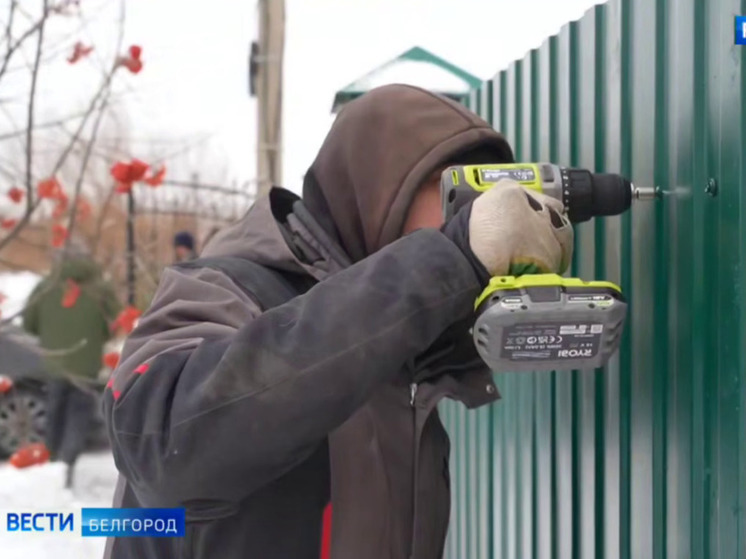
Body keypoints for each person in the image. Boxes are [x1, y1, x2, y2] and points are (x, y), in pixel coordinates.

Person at [103, 84, 573, 559]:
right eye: (456, 191)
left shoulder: (408, 343)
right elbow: (160, 449)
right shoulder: (225, 289)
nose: (473, 214)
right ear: (377, 189)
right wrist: (442, 263)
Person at [22, 242, 120, 488]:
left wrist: (49, 336)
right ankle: (67, 464)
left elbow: (28, 323)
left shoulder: (46, 286)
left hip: (54, 361)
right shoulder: (100, 289)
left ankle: (52, 463)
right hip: (87, 365)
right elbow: (115, 323)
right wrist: (98, 338)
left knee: (54, 412)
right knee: (78, 415)